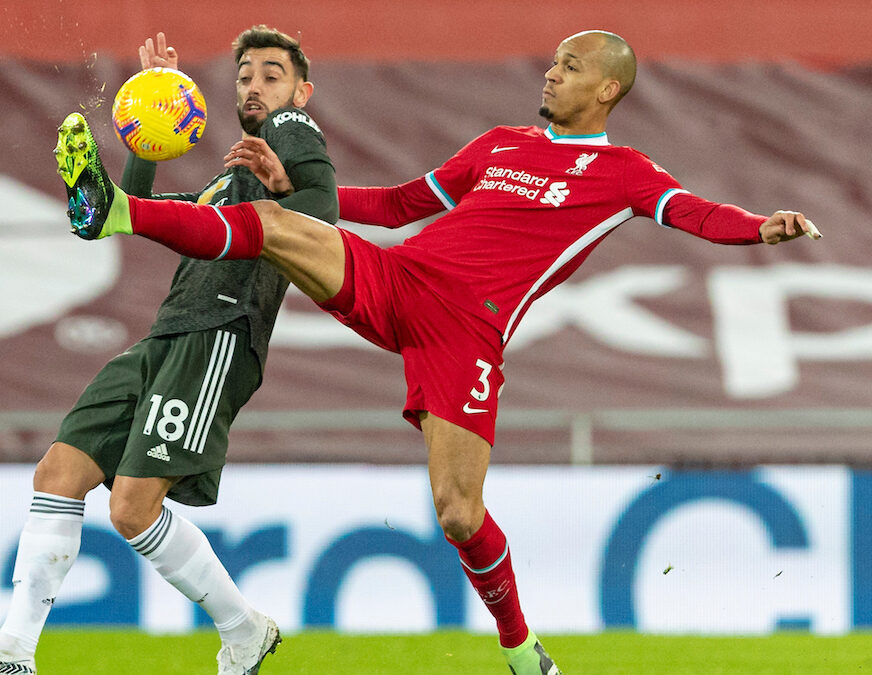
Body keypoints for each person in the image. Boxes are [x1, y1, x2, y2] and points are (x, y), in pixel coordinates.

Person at [56, 30, 822, 673]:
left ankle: (523, 650)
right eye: (553, 60)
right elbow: (399, 206)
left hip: (467, 331)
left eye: (571, 66)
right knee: (280, 226)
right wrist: (293, 184)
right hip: (400, 278)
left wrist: (760, 226)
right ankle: (118, 210)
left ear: (607, 92)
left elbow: (691, 211)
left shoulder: (623, 173)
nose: (552, 71)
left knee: (458, 514)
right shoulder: (499, 144)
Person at [0, 26, 336, 675]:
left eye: (271, 74)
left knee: (132, 508)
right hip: (166, 334)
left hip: (218, 335)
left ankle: (244, 628)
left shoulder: (293, 135)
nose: (255, 86)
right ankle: (11, 653)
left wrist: (286, 181)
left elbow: (323, 212)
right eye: (245, 76)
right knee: (59, 473)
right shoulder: (227, 179)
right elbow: (136, 213)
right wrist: (141, 138)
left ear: (301, 91)